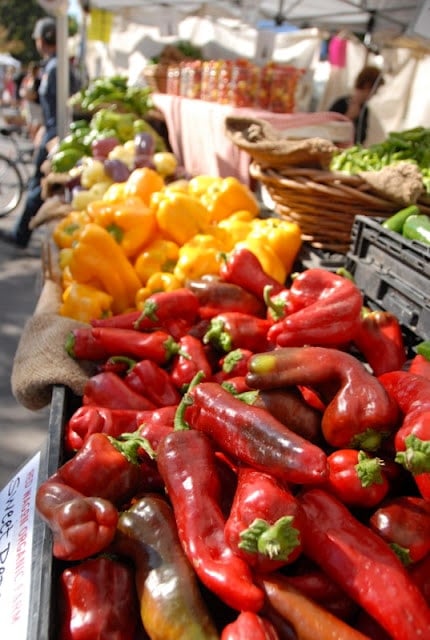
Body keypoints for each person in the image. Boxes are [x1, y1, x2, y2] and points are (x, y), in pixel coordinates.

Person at [0, 17, 80, 249]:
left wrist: (53, 135)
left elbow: (64, 105)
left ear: (45, 39)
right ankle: (22, 233)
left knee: (39, 184)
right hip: (52, 129)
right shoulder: (53, 65)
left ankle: (21, 234)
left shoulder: (57, 68)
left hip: (56, 132)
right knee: (40, 183)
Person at [329, 65, 384, 145]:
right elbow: (327, 131)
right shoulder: (340, 104)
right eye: (375, 90)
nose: (374, 94)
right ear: (367, 85)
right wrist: (348, 117)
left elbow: (362, 138)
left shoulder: (364, 110)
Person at [19, 61, 43, 140]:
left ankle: (35, 143)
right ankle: (33, 141)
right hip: (29, 105)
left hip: (35, 106)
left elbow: (35, 95)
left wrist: (26, 95)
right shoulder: (28, 79)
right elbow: (22, 91)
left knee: (36, 125)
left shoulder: (38, 81)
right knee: (30, 124)